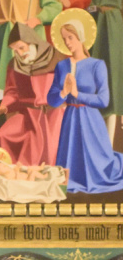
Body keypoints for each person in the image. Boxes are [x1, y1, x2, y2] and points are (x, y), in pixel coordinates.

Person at [47, 13, 123, 193]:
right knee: (70, 165)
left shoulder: (97, 65)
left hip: (91, 120)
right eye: (64, 38)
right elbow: (51, 99)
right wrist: (64, 93)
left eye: (70, 37)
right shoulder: (62, 66)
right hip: (70, 119)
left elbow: (104, 100)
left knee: (98, 165)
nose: (67, 42)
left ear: (80, 37)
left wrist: (77, 94)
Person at [0, 23, 65, 166]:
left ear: (32, 41)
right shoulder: (14, 65)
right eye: (15, 50)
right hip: (27, 115)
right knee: (3, 135)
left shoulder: (57, 58)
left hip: (53, 114)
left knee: (53, 150)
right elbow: (12, 92)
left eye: (21, 47)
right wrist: (4, 107)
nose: (19, 53)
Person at [79, 0, 123, 142]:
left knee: (114, 82)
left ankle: (109, 142)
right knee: (95, 82)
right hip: (92, 26)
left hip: (114, 26)